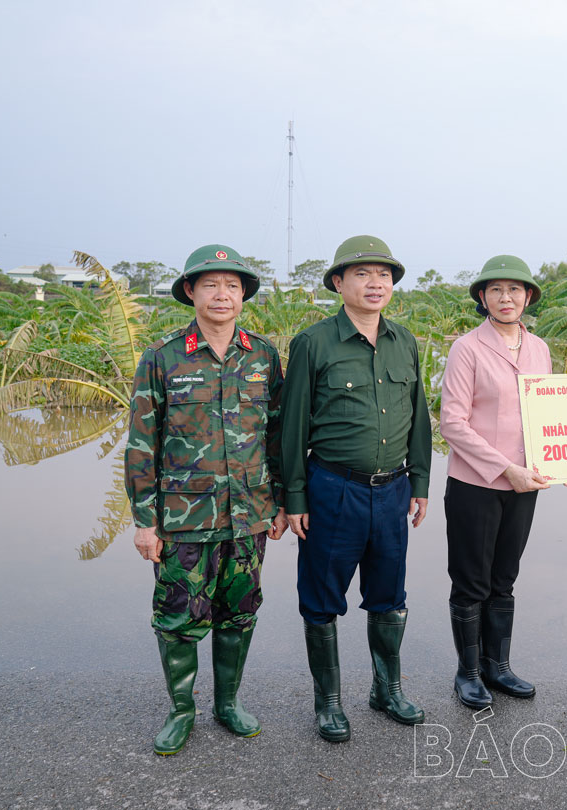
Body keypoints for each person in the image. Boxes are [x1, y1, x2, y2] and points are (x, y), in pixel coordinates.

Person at [127, 244, 287, 756]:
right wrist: (144, 521)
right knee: (177, 617)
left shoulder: (262, 355)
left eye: (233, 286)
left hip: (249, 515)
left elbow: (277, 435)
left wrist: (280, 502)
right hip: (183, 518)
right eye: (211, 285)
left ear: (243, 296)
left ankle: (227, 703)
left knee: (239, 613)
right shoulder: (164, 355)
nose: (223, 294)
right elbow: (140, 442)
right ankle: (181, 710)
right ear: (191, 292)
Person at [281, 235, 431, 741]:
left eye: (384, 275)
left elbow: (419, 420)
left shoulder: (404, 341)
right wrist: (294, 498)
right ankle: (328, 703)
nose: (375, 284)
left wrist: (421, 481)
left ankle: (386, 689)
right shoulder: (313, 342)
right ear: (338, 283)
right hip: (332, 490)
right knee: (322, 599)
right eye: (362, 274)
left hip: (391, 492)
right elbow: (292, 428)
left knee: (389, 595)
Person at [439, 255, 553, 709]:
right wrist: (506, 467)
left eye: (515, 290)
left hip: (525, 485)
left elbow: (549, 416)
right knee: (472, 580)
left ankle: (497, 665)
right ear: (483, 298)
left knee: (504, 578)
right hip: (476, 484)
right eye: (496, 290)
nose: (507, 298)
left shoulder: (539, 348)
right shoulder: (466, 348)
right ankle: (467, 672)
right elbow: (452, 423)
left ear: (528, 297)